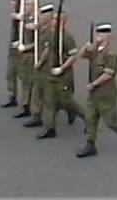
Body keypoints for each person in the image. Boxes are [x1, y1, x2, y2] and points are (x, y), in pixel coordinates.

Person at [65, 23, 117, 158]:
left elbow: (109, 74)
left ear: (108, 36)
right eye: (97, 33)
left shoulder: (110, 53)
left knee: (111, 123)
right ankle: (90, 145)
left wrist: (94, 84)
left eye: (100, 34)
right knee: (90, 118)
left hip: (106, 93)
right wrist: (86, 47)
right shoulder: (96, 50)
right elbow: (82, 55)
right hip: (93, 93)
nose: (97, 36)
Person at [37, 10, 85, 139]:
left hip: (63, 76)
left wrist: (62, 68)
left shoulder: (66, 37)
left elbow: (73, 55)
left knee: (67, 102)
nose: (54, 22)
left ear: (63, 22)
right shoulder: (50, 34)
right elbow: (48, 49)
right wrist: (40, 62)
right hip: (50, 74)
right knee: (49, 101)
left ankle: (87, 119)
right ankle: (50, 128)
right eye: (53, 19)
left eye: (57, 20)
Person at [1, 0, 19, 108]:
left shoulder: (27, 15)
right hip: (13, 50)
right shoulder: (15, 14)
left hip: (27, 52)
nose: (13, 3)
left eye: (15, 0)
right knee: (10, 73)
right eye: (11, 0)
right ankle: (12, 96)